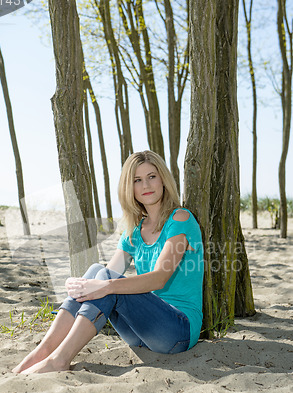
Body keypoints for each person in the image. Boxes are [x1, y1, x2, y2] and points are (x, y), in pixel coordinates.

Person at [13, 150, 204, 374]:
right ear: (129, 188)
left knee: (105, 281)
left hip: (177, 331)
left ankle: (60, 359)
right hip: (142, 333)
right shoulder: (134, 230)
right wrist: (80, 286)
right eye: (137, 180)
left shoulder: (180, 218)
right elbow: (107, 272)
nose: (146, 185)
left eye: (152, 176)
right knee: (96, 271)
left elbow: (160, 278)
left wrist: (103, 285)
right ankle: (43, 352)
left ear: (163, 179)